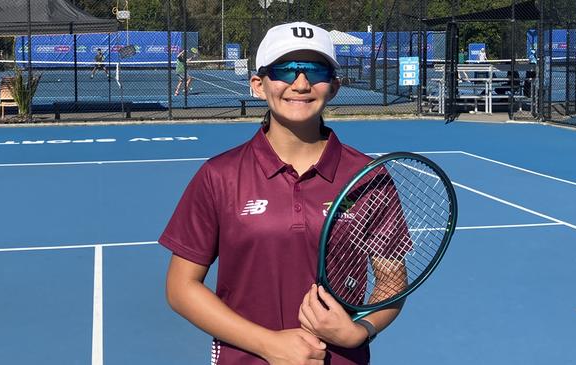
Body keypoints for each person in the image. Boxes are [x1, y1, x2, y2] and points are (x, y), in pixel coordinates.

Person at [160, 22, 404, 365]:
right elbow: (181, 288)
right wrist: (269, 345)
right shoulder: (219, 175)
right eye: (285, 70)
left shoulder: (368, 177)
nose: (300, 84)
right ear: (259, 85)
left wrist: (360, 330)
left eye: (315, 71)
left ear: (333, 86)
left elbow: (392, 279)